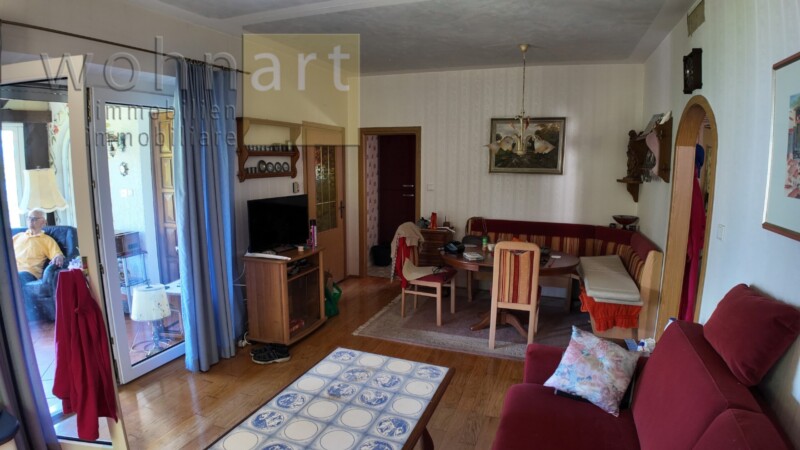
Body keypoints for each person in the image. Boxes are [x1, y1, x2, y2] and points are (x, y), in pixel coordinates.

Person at [13, 208, 65, 285]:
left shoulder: (47, 240)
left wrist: (59, 257)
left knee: (13, 279)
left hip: (28, 273)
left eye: (34, 218)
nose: (30, 220)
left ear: (43, 222)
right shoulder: (17, 236)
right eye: (29, 218)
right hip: (10, 270)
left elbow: (57, 254)